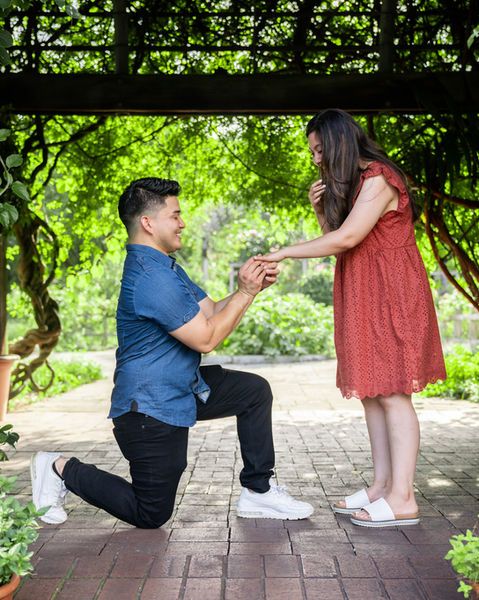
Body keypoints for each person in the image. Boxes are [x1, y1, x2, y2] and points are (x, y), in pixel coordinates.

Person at [30, 177, 314, 528]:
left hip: (180, 389)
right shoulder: (150, 277)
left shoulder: (167, 268)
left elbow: (212, 312)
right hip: (148, 409)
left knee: (252, 392)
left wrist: (251, 289)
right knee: (150, 513)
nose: (183, 223)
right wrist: (245, 293)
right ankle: (58, 468)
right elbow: (206, 339)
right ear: (148, 223)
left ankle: (259, 491)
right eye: (175, 215)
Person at [258, 109, 446, 528]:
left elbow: (347, 238)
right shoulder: (359, 184)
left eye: (319, 150)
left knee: (393, 392)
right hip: (364, 291)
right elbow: (339, 239)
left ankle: (403, 497)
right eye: (312, 152)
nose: (315, 159)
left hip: (391, 294)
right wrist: (321, 211)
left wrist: (284, 252)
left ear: (338, 142)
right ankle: (381, 486)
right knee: (373, 392)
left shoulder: (379, 178)